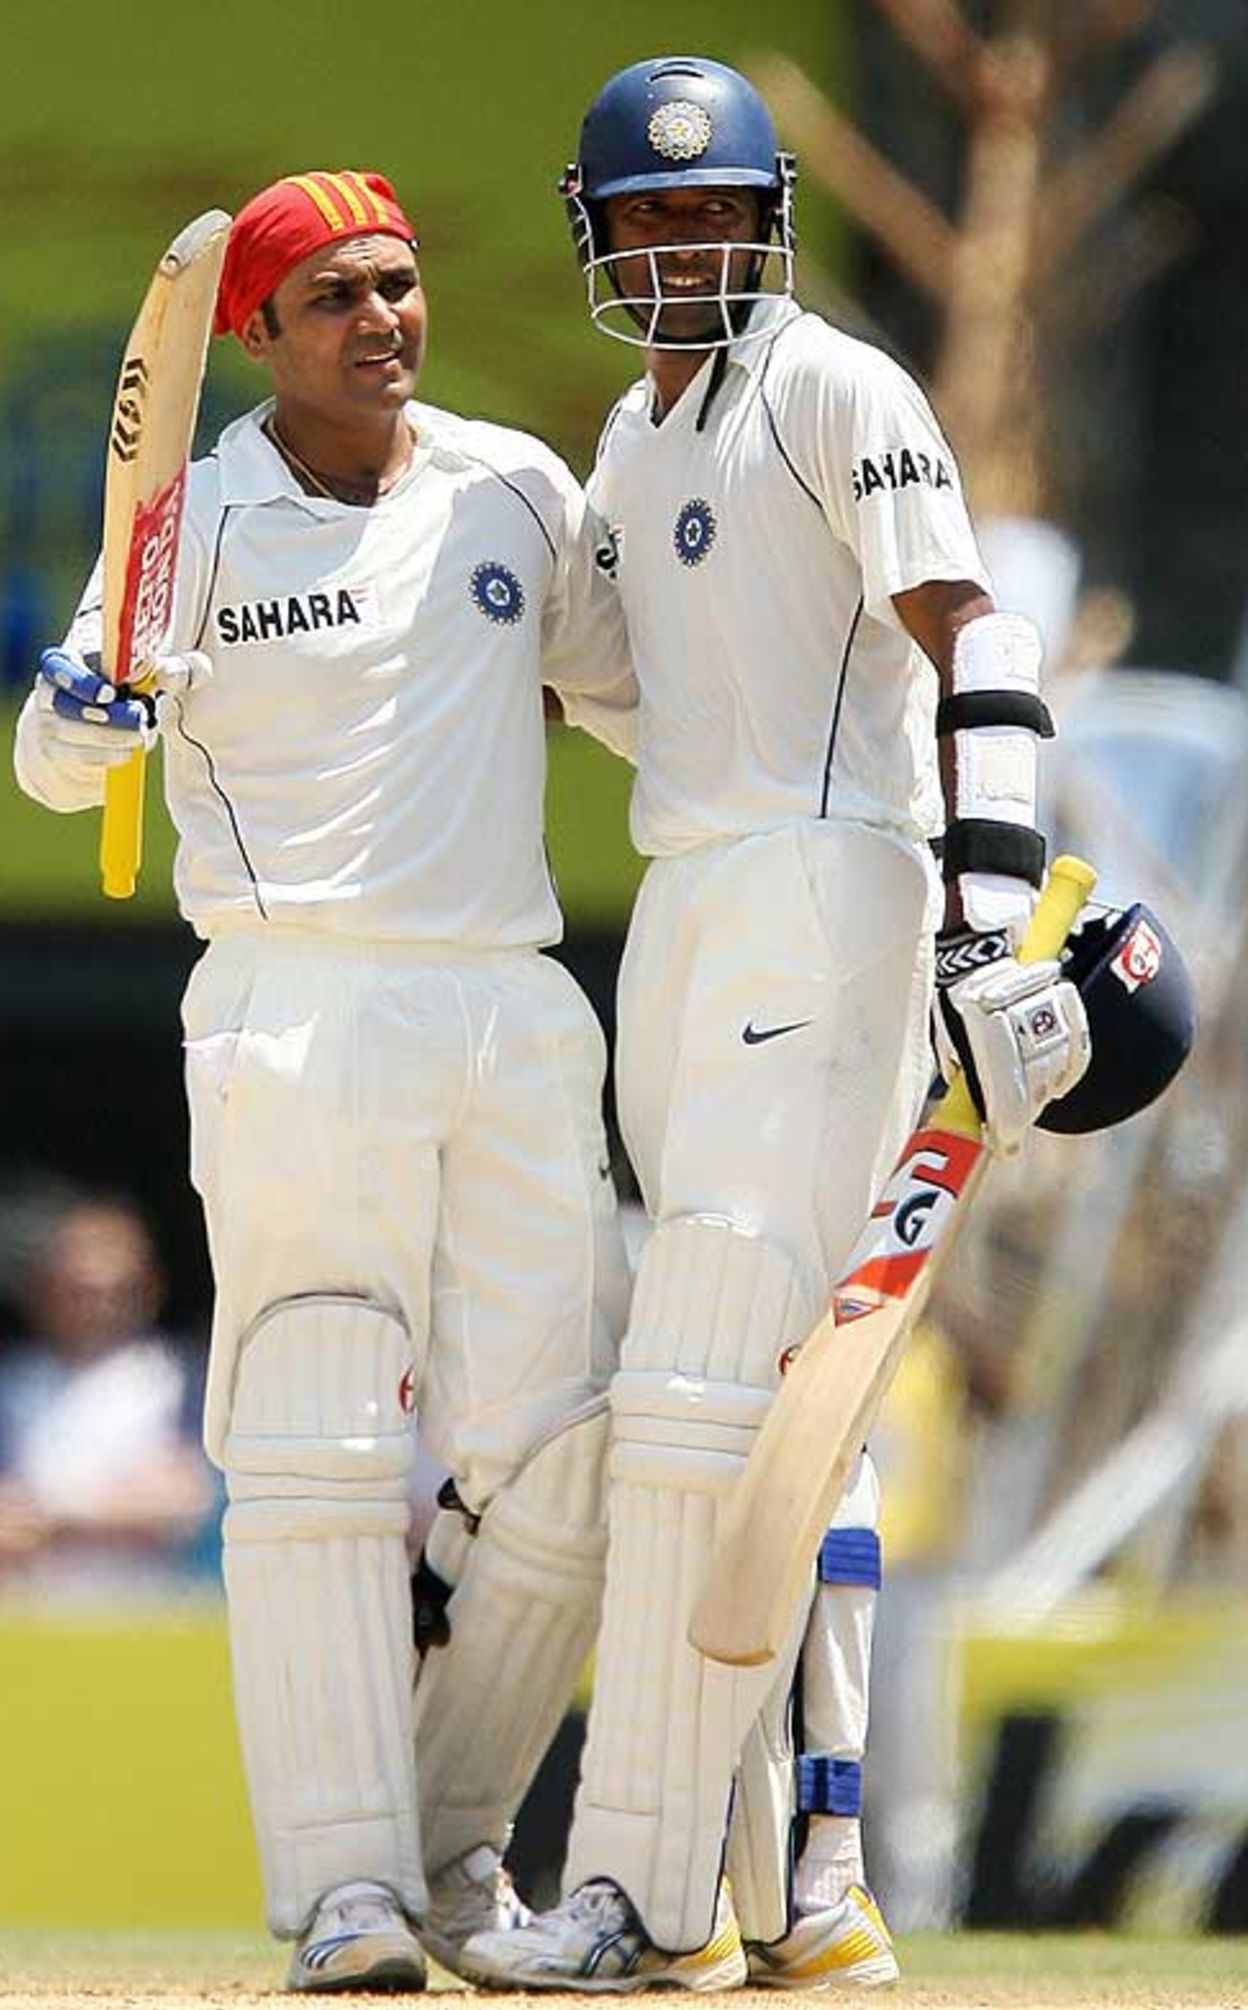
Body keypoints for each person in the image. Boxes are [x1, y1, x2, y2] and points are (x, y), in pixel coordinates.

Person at [461, 57, 1090, 1993]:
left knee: (708, 1384)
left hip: (831, 885)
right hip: (684, 905)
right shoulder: (634, 446)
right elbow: (622, 695)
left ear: (766, 223)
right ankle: (792, 1878)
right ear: (597, 236)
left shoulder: (836, 385)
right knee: (752, 1407)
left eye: (717, 210)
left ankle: (650, 1888)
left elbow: (969, 631)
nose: (684, 243)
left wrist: (996, 916)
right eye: (649, 217)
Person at [14, 167, 635, 1993]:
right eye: (338, 299)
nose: (384, 320)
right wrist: (85, 712)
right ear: (262, 337)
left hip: (514, 1002)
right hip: (298, 999)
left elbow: (635, 693)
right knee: (312, 1445)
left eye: (400, 284)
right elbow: (62, 758)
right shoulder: (188, 521)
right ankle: (346, 1894)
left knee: (570, 1455)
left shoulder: (517, 481)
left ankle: (450, 1838)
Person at [0, 1189, 216, 1601]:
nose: (96, 1307)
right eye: (78, 1290)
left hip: (150, 1618)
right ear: (41, 1287)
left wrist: (48, 1518)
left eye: (115, 1290)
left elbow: (189, 1499)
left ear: (151, 1286)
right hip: (20, 1622)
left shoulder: (182, 1376)